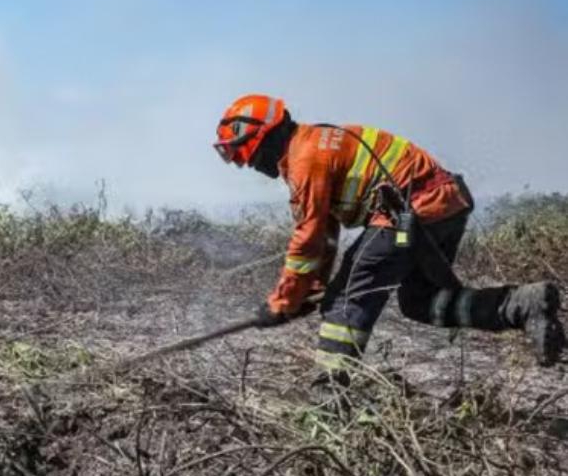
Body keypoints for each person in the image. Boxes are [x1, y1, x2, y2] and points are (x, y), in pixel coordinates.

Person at [214, 94, 564, 377]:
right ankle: (522, 305)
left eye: (243, 152)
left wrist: (282, 302)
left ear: (261, 136)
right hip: (444, 205)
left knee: (345, 300)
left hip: (408, 212)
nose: (247, 163)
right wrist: (310, 291)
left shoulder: (305, 157)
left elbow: (308, 239)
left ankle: (328, 399)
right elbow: (327, 234)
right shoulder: (313, 143)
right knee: (422, 302)